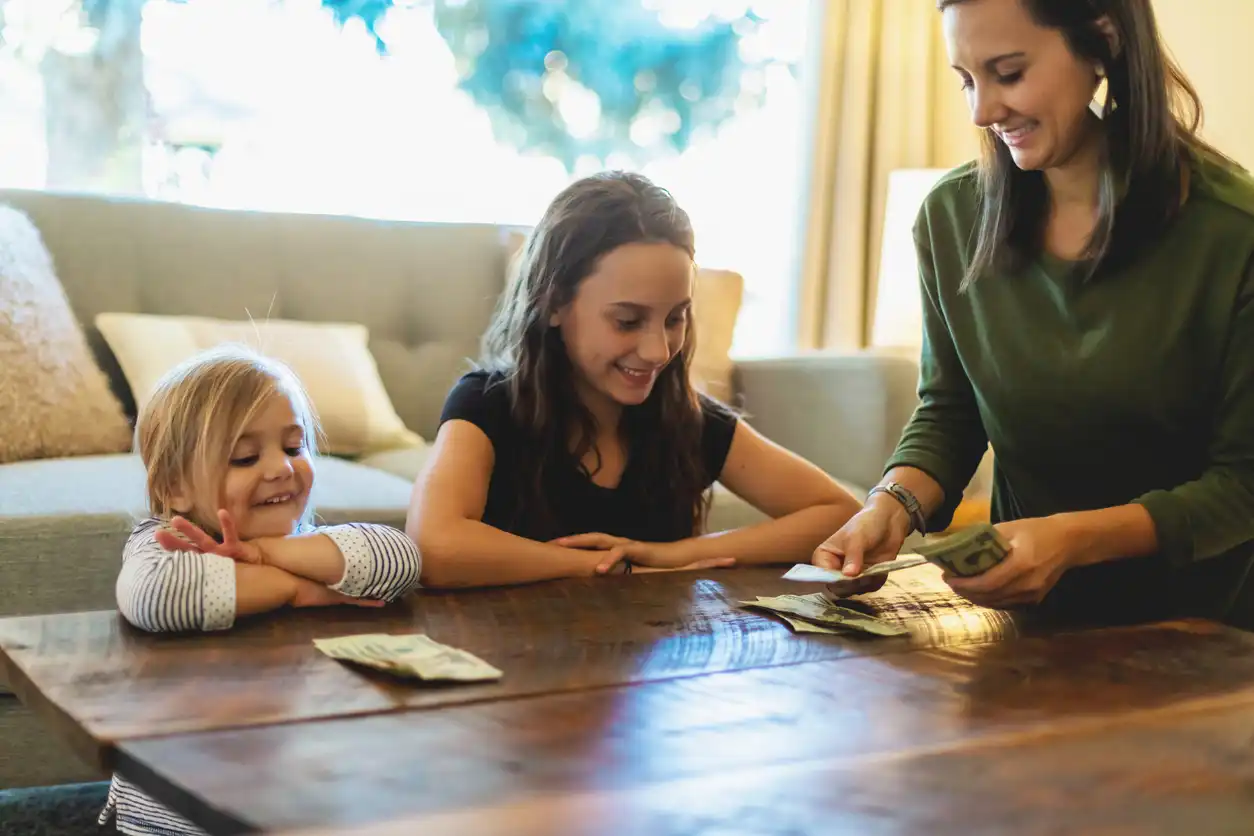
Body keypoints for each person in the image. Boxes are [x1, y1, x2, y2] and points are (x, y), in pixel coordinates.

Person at [814, 0, 1254, 629]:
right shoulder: (950, 219)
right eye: (967, 80)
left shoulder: (1234, 233)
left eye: (1010, 73)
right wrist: (891, 505)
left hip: (1206, 641)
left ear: (1101, 43)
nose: (981, 111)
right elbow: (951, 411)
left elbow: (1245, 486)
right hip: (1025, 636)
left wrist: (1071, 541)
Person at [408, 171, 864, 588]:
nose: (658, 351)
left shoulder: (690, 419)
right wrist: (603, 565)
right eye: (627, 321)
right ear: (553, 305)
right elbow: (434, 545)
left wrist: (675, 555)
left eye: (675, 318)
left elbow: (840, 515)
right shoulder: (487, 404)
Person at [101, 345, 422, 835]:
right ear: (174, 487)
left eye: (294, 448)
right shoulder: (168, 542)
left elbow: (400, 559)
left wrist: (269, 556)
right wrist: (301, 591)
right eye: (245, 457)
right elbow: (156, 596)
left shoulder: (301, 543)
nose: (280, 468)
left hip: (290, 787)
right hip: (179, 813)